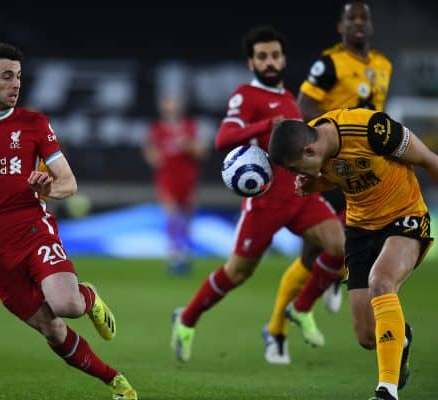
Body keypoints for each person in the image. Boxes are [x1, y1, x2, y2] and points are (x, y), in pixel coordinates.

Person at [0, 43, 137, 400]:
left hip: (32, 230)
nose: (16, 84)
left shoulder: (34, 124)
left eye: (19, 77)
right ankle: (116, 382)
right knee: (51, 330)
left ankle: (89, 297)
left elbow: (68, 182)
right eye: (7, 77)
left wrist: (47, 189)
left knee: (67, 305)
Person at [170, 26, 345, 364]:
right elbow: (223, 138)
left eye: (275, 55)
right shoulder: (245, 96)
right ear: (252, 62)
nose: (270, 61)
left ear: (283, 58)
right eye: (262, 56)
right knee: (237, 273)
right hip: (264, 204)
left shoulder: (290, 99)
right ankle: (186, 319)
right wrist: (265, 126)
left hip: (299, 196)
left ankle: (302, 308)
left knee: (339, 246)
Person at [269, 109, 436, 400]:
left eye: (297, 169)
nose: (297, 176)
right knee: (368, 337)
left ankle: (387, 392)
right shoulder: (312, 144)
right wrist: (315, 184)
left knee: (381, 282)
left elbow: (429, 160)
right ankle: (402, 339)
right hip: (360, 230)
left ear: (310, 150)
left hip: (405, 216)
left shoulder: (373, 130)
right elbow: (339, 174)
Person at [264, 0, 393, 365]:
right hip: (327, 164)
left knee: (339, 244)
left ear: (370, 24)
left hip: (361, 167)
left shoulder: (384, 65)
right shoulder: (330, 63)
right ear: (340, 26)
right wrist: (328, 138)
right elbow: (303, 108)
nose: (357, 24)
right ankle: (277, 327)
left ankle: (302, 307)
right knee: (315, 253)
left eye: (363, 18)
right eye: (350, 18)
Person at [143, 94, 207, 275]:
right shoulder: (157, 129)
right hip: (167, 179)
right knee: (171, 217)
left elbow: (201, 151)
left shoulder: (189, 126)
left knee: (187, 219)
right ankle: (174, 255)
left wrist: (188, 146)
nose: (171, 107)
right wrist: (155, 157)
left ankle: (185, 254)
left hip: (187, 179)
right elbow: (150, 150)